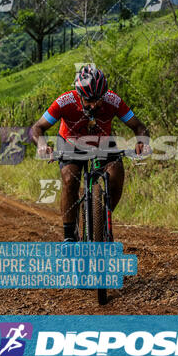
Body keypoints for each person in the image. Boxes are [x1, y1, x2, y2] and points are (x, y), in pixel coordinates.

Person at [31, 65, 150, 242]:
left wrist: (143, 142)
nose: (94, 105)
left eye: (98, 99)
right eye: (89, 100)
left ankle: (102, 216)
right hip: (70, 143)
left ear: (105, 94)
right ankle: (69, 236)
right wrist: (42, 144)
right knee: (70, 180)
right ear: (79, 95)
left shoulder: (113, 100)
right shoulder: (65, 101)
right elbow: (37, 127)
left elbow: (138, 126)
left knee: (116, 174)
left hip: (102, 142)